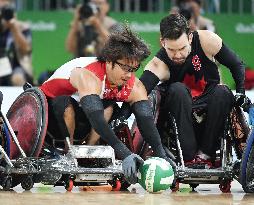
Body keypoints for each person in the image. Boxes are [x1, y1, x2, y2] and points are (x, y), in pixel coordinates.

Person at [40, 26, 174, 183]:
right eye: (125, 67)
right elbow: (95, 118)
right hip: (50, 117)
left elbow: (146, 122)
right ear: (110, 61)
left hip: (81, 120)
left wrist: (162, 155)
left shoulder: (134, 85)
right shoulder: (89, 75)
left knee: (108, 107)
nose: (129, 75)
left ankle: (88, 154)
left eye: (134, 69)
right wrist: (125, 154)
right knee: (67, 105)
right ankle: (68, 154)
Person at [134, 13, 246, 167]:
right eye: (172, 50)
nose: (178, 54)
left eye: (182, 48)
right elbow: (137, 93)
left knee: (223, 91)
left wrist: (240, 92)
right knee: (177, 89)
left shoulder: (207, 40)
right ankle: (188, 155)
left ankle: (206, 154)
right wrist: (120, 115)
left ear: (190, 38)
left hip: (212, 111)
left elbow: (236, 64)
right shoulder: (158, 64)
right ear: (162, 42)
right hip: (181, 117)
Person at [0, 0, 33, 86]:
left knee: (17, 78)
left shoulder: (23, 27)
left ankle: (22, 99)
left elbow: (26, 49)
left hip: (17, 67)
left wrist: (13, 27)